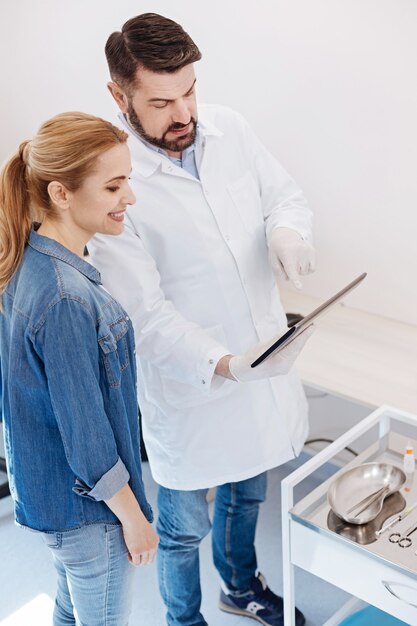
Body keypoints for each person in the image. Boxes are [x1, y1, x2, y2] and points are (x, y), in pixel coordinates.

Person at [89, 13, 316, 626]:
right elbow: (144, 314)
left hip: (262, 367)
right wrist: (222, 363)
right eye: (161, 102)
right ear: (120, 97)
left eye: (190, 91)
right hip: (192, 391)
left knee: (248, 497)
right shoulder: (114, 182)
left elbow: (283, 197)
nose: (183, 112)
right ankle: (184, 620)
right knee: (182, 529)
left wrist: (288, 234)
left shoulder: (231, 131)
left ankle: (240, 587)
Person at [0, 111, 159, 626]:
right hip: (90, 512)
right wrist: (134, 520)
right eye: (114, 186)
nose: (129, 199)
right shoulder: (66, 298)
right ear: (61, 194)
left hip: (54, 500)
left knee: (71, 608)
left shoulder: (27, 262)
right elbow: (88, 437)